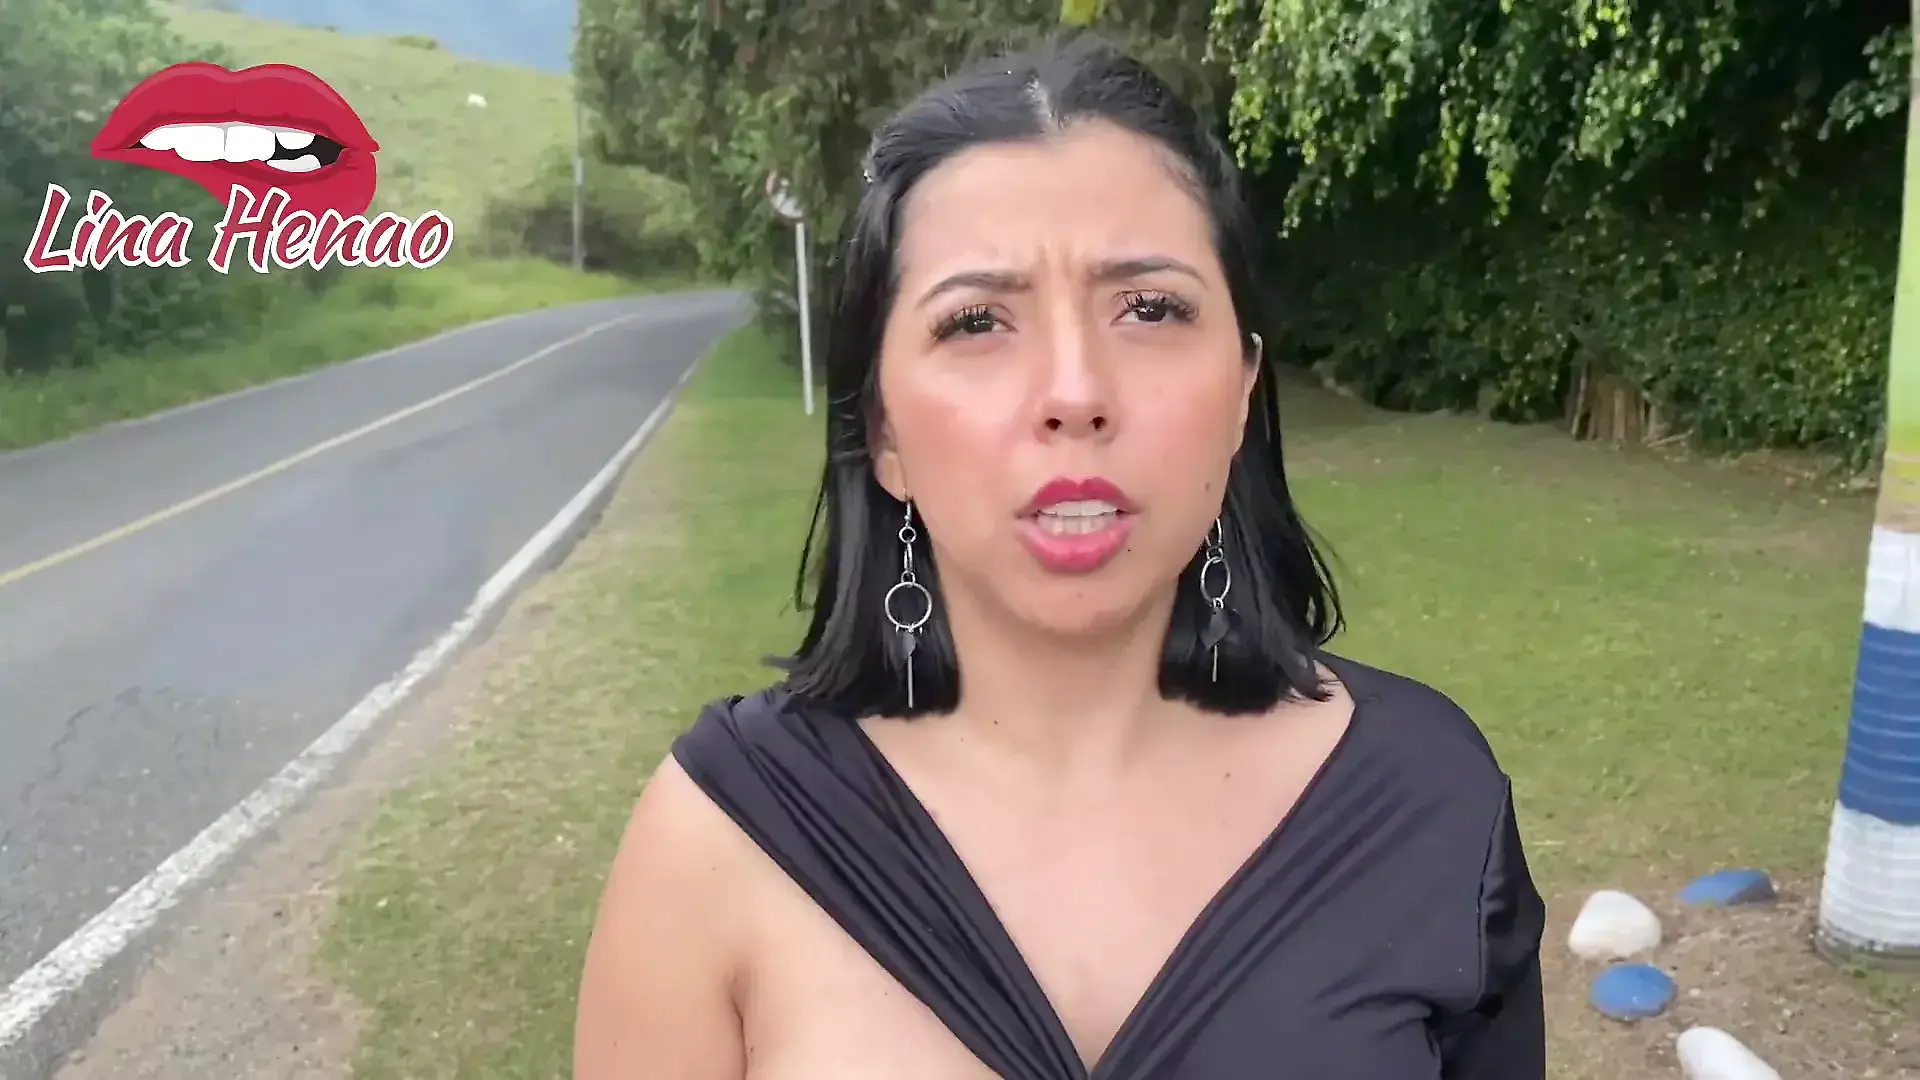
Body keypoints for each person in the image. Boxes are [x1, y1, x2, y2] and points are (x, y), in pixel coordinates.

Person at [574, 34, 1547, 1080]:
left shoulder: (1430, 804)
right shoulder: (717, 840)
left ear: (1242, 393)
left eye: (1150, 308)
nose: (1075, 392)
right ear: (884, 431)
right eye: (976, 322)